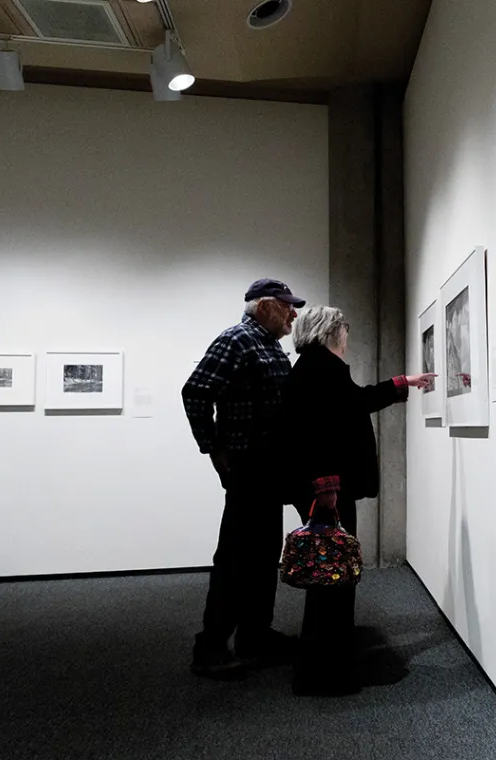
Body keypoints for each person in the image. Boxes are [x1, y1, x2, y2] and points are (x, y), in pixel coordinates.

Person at [279, 305, 433, 696]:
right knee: (334, 575)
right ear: (331, 331)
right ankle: (326, 671)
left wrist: (403, 383)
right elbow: (317, 433)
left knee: (330, 575)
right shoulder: (322, 368)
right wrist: (326, 485)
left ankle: (322, 661)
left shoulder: (315, 367)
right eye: (345, 330)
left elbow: (352, 402)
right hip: (326, 489)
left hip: (323, 486)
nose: (347, 338)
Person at [182, 277, 305, 680]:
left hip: (269, 468)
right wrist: (213, 448)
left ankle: (255, 634)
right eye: (287, 305)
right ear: (264, 306)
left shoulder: (268, 344)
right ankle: (212, 647)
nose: (294, 313)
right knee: (236, 558)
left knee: (264, 553)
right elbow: (196, 391)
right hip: (248, 466)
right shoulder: (236, 339)